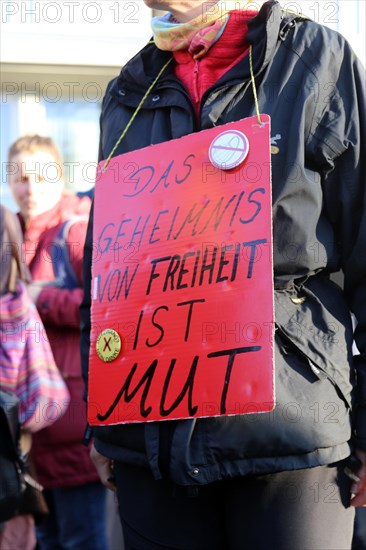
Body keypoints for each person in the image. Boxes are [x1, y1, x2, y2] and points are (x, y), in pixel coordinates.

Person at [81, 1, 366, 549]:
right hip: (148, 440)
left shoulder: (316, 60)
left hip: (290, 436)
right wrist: (102, 419)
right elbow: (105, 268)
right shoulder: (127, 89)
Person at [7, 135, 109, 550]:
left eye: (40, 176)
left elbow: (107, 305)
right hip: (30, 435)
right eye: (19, 177)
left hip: (71, 428)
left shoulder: (76, 230)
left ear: (60, 178)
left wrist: (41, 298)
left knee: (81, 540)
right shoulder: (11, 234)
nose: (30, 187)